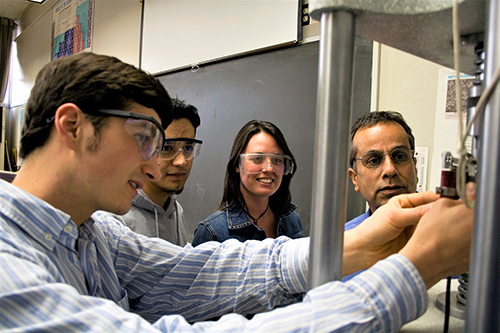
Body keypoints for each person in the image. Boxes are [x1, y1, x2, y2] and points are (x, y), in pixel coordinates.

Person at [0, 52, 474, 332]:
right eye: (144, 136)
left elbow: (197, 273)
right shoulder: (8, 268)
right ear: (72, 126)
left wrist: (355, 246)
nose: (154, 163)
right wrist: (416, 268)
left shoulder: (96, 233)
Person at [191, 120, 302, 246]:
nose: (269, 168)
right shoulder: (212, 232)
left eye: (277, 160)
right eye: (257, 159)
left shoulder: (290, 220)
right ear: (237, 165)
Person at [110, 98, 202, 246]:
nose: (181, 161)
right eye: (166, 148)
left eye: (188, 148)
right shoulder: (117, 217)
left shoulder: (175, 210)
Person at [346, 111, 418, 231]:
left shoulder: (450, 232)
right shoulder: (342, 241)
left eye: (400, 157)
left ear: (414, 167)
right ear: (355, 178)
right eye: (374, 161)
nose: (390, 170)